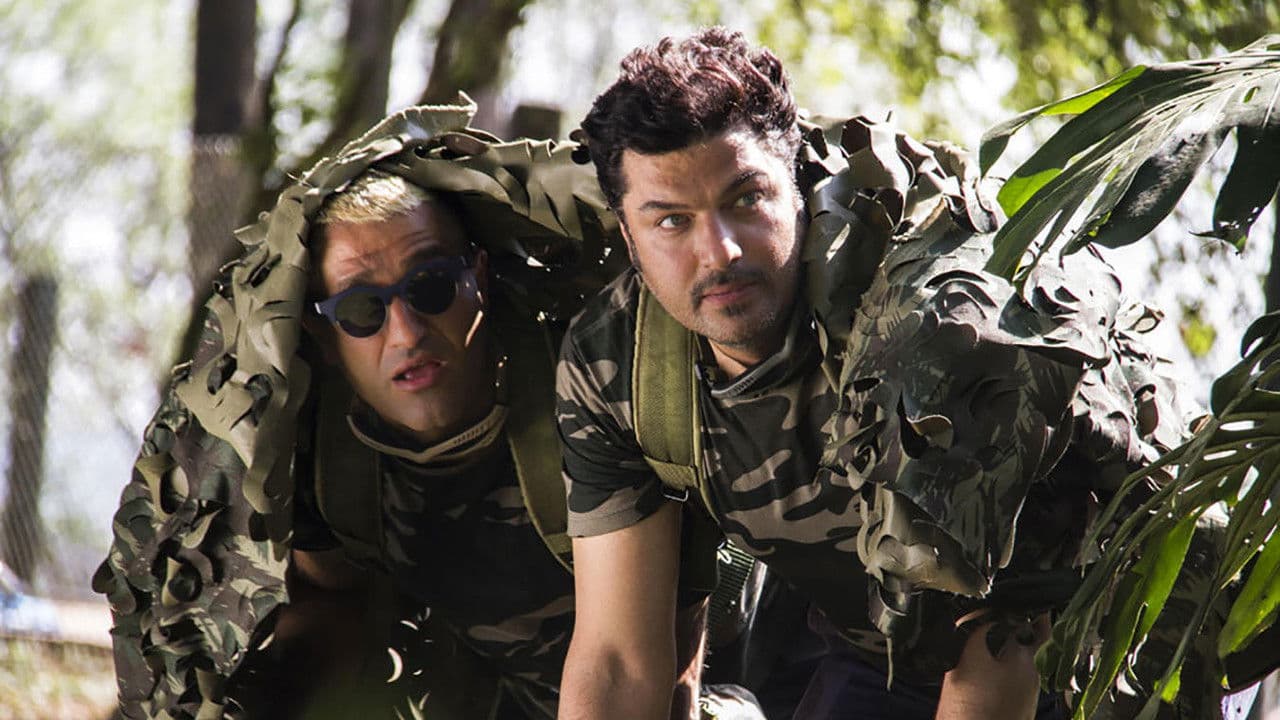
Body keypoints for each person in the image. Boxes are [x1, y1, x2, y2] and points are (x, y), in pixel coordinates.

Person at [555, 27, 1199, 720]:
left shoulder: (940, 324)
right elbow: (618, 661)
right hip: (889, 652)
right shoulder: (617, 362)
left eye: (746, 199)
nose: (721, 251)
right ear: (628, 235)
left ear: (797, 183)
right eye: (671, 222)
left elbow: (999, 657)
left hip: (1100, 663)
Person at [94, 100, 761, 720]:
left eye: (433, 285)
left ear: (480, 278)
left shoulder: (592, 396)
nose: (407, 332)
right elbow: (333, 597)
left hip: (735, 672)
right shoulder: (329, 452)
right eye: (362, 309)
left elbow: (665, 668)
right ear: (322, 334)